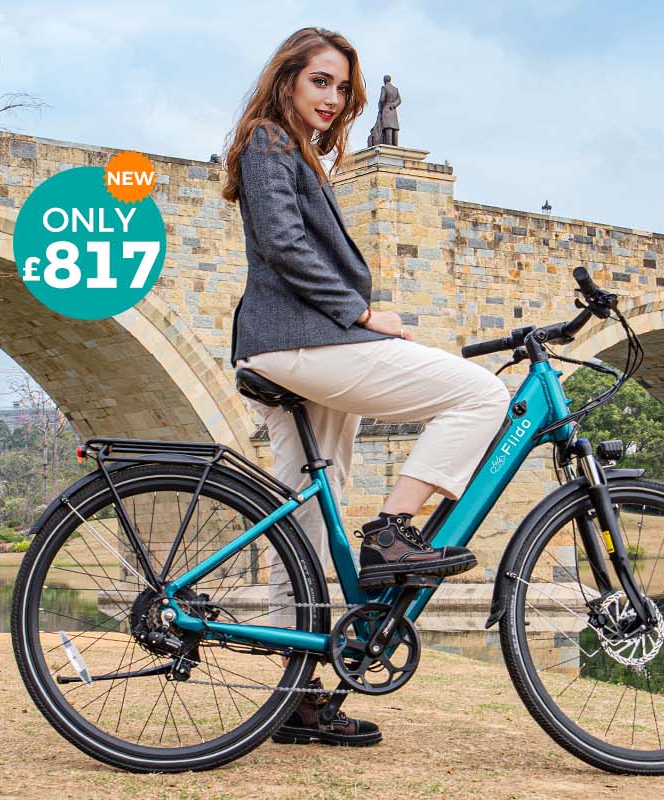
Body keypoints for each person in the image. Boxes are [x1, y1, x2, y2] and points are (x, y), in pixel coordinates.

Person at [220, 27, 511, 748]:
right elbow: (285, 246)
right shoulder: (266, 141)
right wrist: (361, 313)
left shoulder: (298, 155)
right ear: (286, 78)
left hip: (301, 345)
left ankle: (294, 696)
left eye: (343, 87)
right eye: (320, 81)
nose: (334, 98)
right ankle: (390, 533)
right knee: (480, 395)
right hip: (302, 342)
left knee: (302, 526)